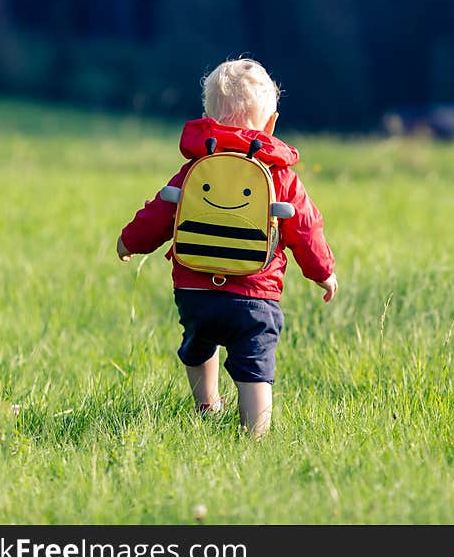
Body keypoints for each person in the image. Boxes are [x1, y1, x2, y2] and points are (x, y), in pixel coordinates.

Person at [116, 58, 337, 437]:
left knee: (199, 344)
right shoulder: (279, 175)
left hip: (195, 291)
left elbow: (162, 211)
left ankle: (207, 404)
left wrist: (130, 240)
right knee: (254, 366)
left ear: (209, 118)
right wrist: (324, 273)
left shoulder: (197, 167)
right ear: (270, 123)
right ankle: (256, 435)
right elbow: (306, 227)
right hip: (255, 295)